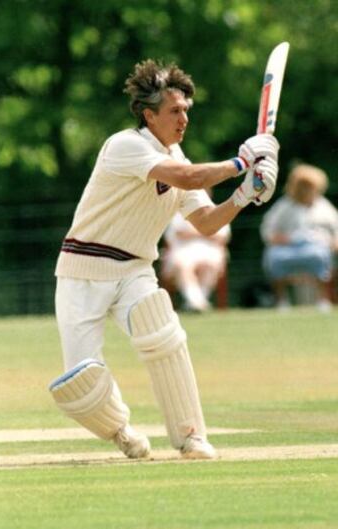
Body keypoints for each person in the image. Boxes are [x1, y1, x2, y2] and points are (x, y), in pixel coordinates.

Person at [49, 59, 279, 460]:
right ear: (149, 114)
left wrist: (244, 194)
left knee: (164, 334)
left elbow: (206, 222)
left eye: (186, 110)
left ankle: (192, 438)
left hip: (135, 268)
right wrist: (241, 163)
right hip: (83, 269)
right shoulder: (125, 146)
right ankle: (122, 433)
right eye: (175, 111)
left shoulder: (179, 159)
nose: (183, 118)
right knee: (81, 384)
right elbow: (187, 178)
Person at [261, 163, 338, 311]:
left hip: (317, 249)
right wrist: (283, 239)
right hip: (287, 249)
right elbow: (268, 231)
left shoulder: (324, 206)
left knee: (321, 256)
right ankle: (281, 301)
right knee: (275, 258)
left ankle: (323, 300)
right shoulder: (283, 206)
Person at [161, 210, 231, 311]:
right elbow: (176, 235)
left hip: (210, 255)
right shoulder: (178, 215)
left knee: (210, 266)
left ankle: (195, 303)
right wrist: (206, 232)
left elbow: (221, 238)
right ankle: (197, 303)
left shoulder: (216, 210)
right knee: (183, 266)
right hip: (181, 254)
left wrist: (192, 233)